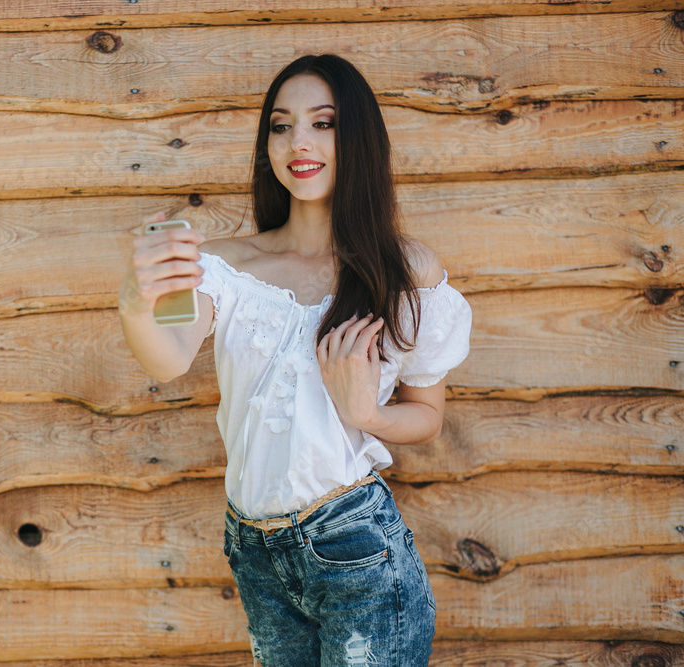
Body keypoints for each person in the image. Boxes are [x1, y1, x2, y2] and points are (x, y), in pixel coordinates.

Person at [118, 54, 472, 666]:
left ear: (358, 135)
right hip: (255, 551)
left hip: (356, 543)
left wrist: (368, 413)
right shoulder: (221, 266)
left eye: (323, 123)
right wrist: (135, 297)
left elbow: (428, 415)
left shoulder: (408, 272)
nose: (298, 142)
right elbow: (169, 359)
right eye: (281, 126)